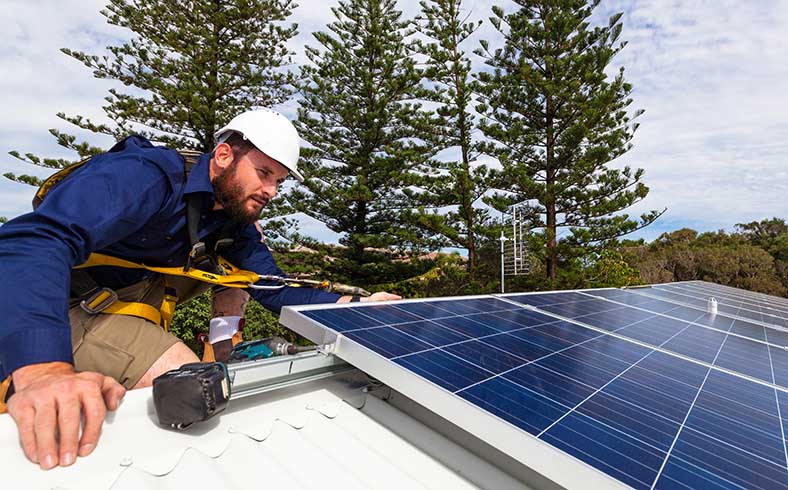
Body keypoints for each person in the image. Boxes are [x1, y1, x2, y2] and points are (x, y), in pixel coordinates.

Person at [0, 108, 400, 470]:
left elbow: (271, 286)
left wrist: (349, 306)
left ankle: (223, 352)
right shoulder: (144, 176)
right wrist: (44, 370)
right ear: (224, 155)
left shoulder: (233, 221)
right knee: (187, 380)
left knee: (236, 275)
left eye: (278, 181)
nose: (271, 192)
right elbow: (33, 242)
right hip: (67, 305)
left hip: (133, 299)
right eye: (263, 173)